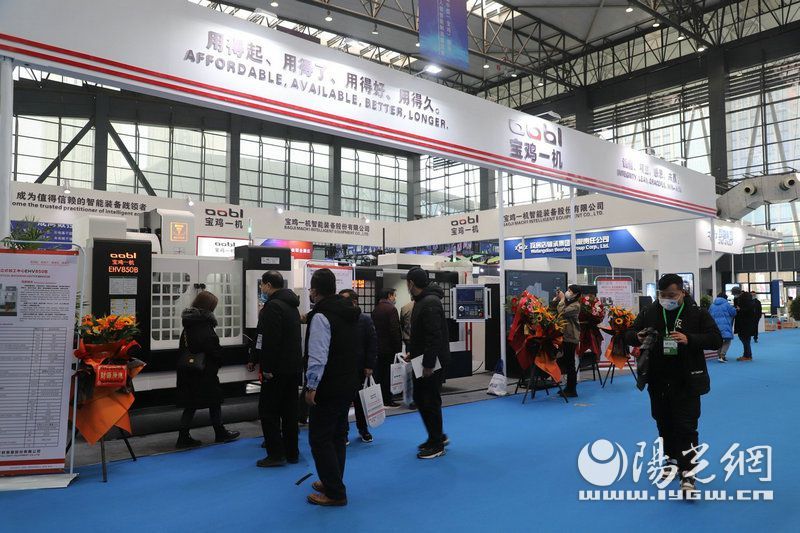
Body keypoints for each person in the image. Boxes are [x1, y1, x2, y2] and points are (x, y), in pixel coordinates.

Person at [625, 274, 722, 494]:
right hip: (657, 379)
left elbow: (716, 339)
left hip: (687, 379)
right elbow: (628, 334)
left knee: (686, 427)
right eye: (662, 295)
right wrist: (637, 337)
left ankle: (688, 474)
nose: (667, 299)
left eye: (672, 295)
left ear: (682, 293)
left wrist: (690, 339)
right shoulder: (650, 311)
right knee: (663, 423)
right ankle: (671, 461)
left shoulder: (697, 313)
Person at [305, 269, 359, 507]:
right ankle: (332, 480)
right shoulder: (349, 312)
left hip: (328, 384)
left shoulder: (321, 316)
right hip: (348, 381)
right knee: (337, 435)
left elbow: (318, 355)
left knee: (319, 438)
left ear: (315, 291)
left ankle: (335, 492)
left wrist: (311, 386)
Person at [248, 271, 302, 468]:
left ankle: (275, 454)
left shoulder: (272, 307)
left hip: (277, 369)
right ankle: (292, 452)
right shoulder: (292, 306)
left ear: (268, 285)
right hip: (293, 368)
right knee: (289, 412)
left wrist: (267, 366)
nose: (261, 288)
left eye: (262, 285)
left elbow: (270, 340)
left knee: (268, 412)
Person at [176, 291, 240, 448]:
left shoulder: (188, 324)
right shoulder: (204, 326)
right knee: (214, 401)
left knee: (190, 406)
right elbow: (213, 349)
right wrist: (220, 360)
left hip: (188, 371)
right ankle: (220, 432)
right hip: (204, 373)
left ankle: (183, 437)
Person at [406, 267, 451, 460]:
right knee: (422, 398)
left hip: (431, 361)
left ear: (411, 283)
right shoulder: (423, 301)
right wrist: (413, 353)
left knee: (429, 400)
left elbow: (434, 336)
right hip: (423, 358)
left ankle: (437, 443)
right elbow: (424, 334)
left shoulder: (429, 302)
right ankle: (436, 436)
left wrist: (428, 363)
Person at [339, 289, 378, 443]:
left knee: (360, 401)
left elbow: (372, 343)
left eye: (344, 300)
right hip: (342, 368)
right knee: (342, 402)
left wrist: (369, 365)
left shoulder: (365, 320)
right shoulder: (338, 319)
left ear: (354, 302)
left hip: (361, 367)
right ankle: (343, 432)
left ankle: (363, 429)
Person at [372, 288, 402, 407]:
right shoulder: (391, 309)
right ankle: (388, 399)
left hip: (378, 347)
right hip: (390, 348)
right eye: (394, 295)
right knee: (389, 375)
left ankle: (381, 399)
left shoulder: (376, 309)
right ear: (389, 296)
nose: (395, 298)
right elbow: (394, 330)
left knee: (380, 374)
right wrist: (398, 349)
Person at [555, 285, 581, 398]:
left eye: (570, 291)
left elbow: (562, 312)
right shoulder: (570, 303)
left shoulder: (576, 305)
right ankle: (568, 387)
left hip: (571, 337)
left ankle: (572, 389)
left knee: (570, 363)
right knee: (567, 362)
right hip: (565, 336)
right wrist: (558, 300)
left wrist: (561, 300)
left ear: (575, 294)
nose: (567, 292)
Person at [709, 292, 736, 362]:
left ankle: (719, 355)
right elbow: (733, 313)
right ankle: (722, 355)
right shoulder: (726, 304)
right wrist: (735, 309)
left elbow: (708, 315)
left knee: (719, 340)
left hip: (715, 326)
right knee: (727, 340)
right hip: (725, 325)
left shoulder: (712, 305)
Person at [732, 287, 758, 361]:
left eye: (734, 294)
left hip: (746, 322)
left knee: (745, 338)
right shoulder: (741, 298)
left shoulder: (746, 298)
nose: (734, 295)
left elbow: (749, 309)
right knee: (744, 338)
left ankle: (747, 355)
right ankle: (747, 355)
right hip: (743, 322)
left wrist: (740, 309)